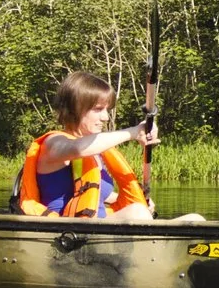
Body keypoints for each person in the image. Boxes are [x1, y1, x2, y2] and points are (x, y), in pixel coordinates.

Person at [14, 70, 161, 219]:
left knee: (142, 209)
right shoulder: (53, 143)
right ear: (74, 109)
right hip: (66, 229)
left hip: (95, 226)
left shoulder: (95, 153)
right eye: (98, 109)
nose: (105, 117)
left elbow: (98, 193)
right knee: (137, 212)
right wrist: (133, 132)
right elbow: (79, 148)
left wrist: (139, 201)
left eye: (107, 110)